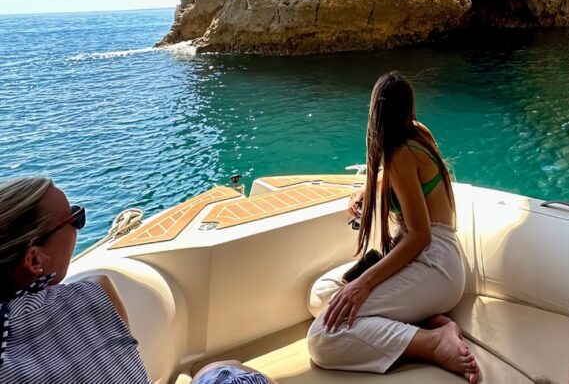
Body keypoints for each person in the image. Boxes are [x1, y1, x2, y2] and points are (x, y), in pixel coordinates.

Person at [0, 177, 273, 384]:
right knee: (220, 369)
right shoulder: (94, 291)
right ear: (35, 260)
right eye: (76, 219)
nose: (77, 225)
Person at [307, 71, 479, 382]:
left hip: (434, 263)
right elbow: (409, 184)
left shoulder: (401, 154)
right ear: (409, 111)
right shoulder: (416, 134)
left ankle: (433, 342)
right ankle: (425, 322)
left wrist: (365, 283)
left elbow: (420, 235)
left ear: (375, 114)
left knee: (322, 338)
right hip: (435, 259)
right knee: (322, 298)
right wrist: (368, 190)